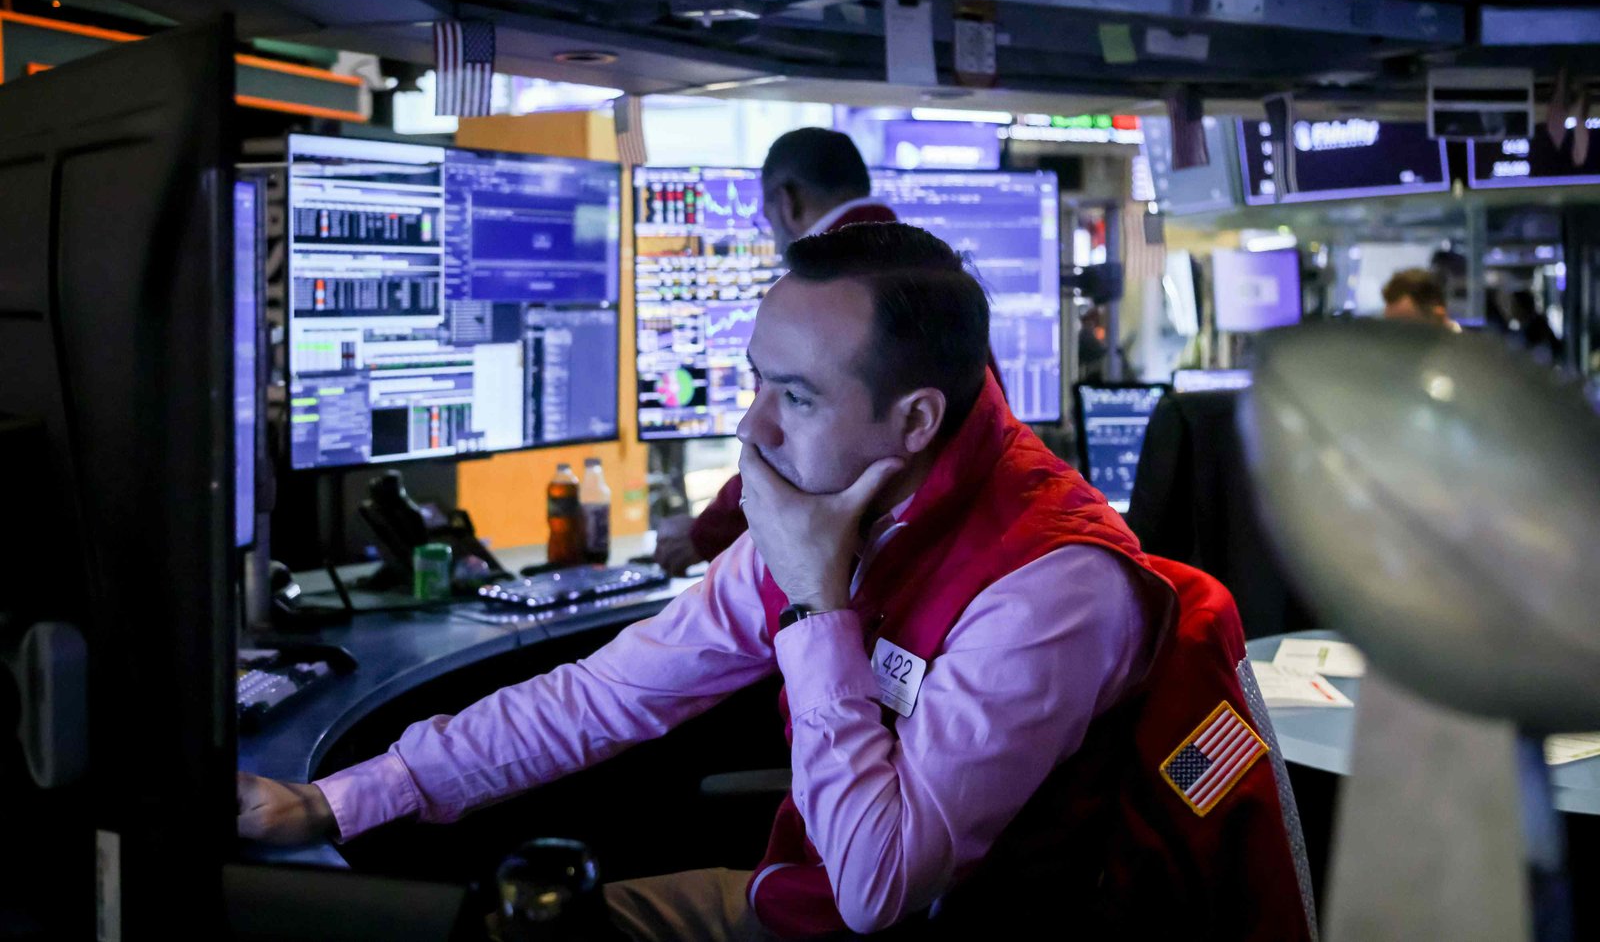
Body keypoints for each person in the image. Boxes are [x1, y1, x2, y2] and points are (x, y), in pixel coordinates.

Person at [238, 223, 1174, 939]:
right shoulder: (839, 504)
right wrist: (339, 801)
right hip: (794, 896)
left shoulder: (1050, 586)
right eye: (758, 381)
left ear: (917, 420)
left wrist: (817, 606)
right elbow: (602, 695)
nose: (751, 428)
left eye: (795, 396)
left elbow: (879, 888)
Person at [652, 128, 897, 576]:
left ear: (788, 202)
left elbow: (784, 445)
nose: (749, 426)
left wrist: (705, 533)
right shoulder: (914, 266)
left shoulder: (826, 286)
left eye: (765, 216)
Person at [1381, 267, 1458, 329]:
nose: (1393, 335)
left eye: (1406, 328)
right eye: (1389, 326)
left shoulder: (1461, 344)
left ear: (1438, 317)